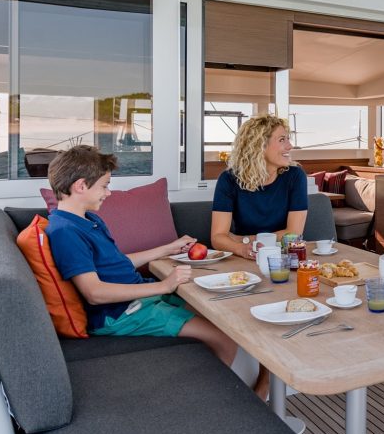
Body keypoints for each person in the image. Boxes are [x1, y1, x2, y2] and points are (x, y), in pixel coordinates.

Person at [45, 146, 265, 397]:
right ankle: (213, 403)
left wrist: (167, 249)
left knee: (219, 313)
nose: (109, 192)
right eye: (104, 185)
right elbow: (94, 292)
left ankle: (228, 392)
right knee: (223, 338)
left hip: (135, 302)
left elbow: (117, 264)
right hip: (119, 314)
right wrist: (164, 285)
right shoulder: (65, 232)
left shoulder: (88, 219)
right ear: (81, 186)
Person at [210, 115, 308, 259]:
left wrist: (240, 239)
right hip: (243, 258)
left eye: (288, 139)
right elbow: (217, 238)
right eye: (282, 140)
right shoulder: (229, 179)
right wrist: (241, 248)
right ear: (260, 146)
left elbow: (293, 234)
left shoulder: (295, 176)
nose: (290, 146)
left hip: (284, 256)